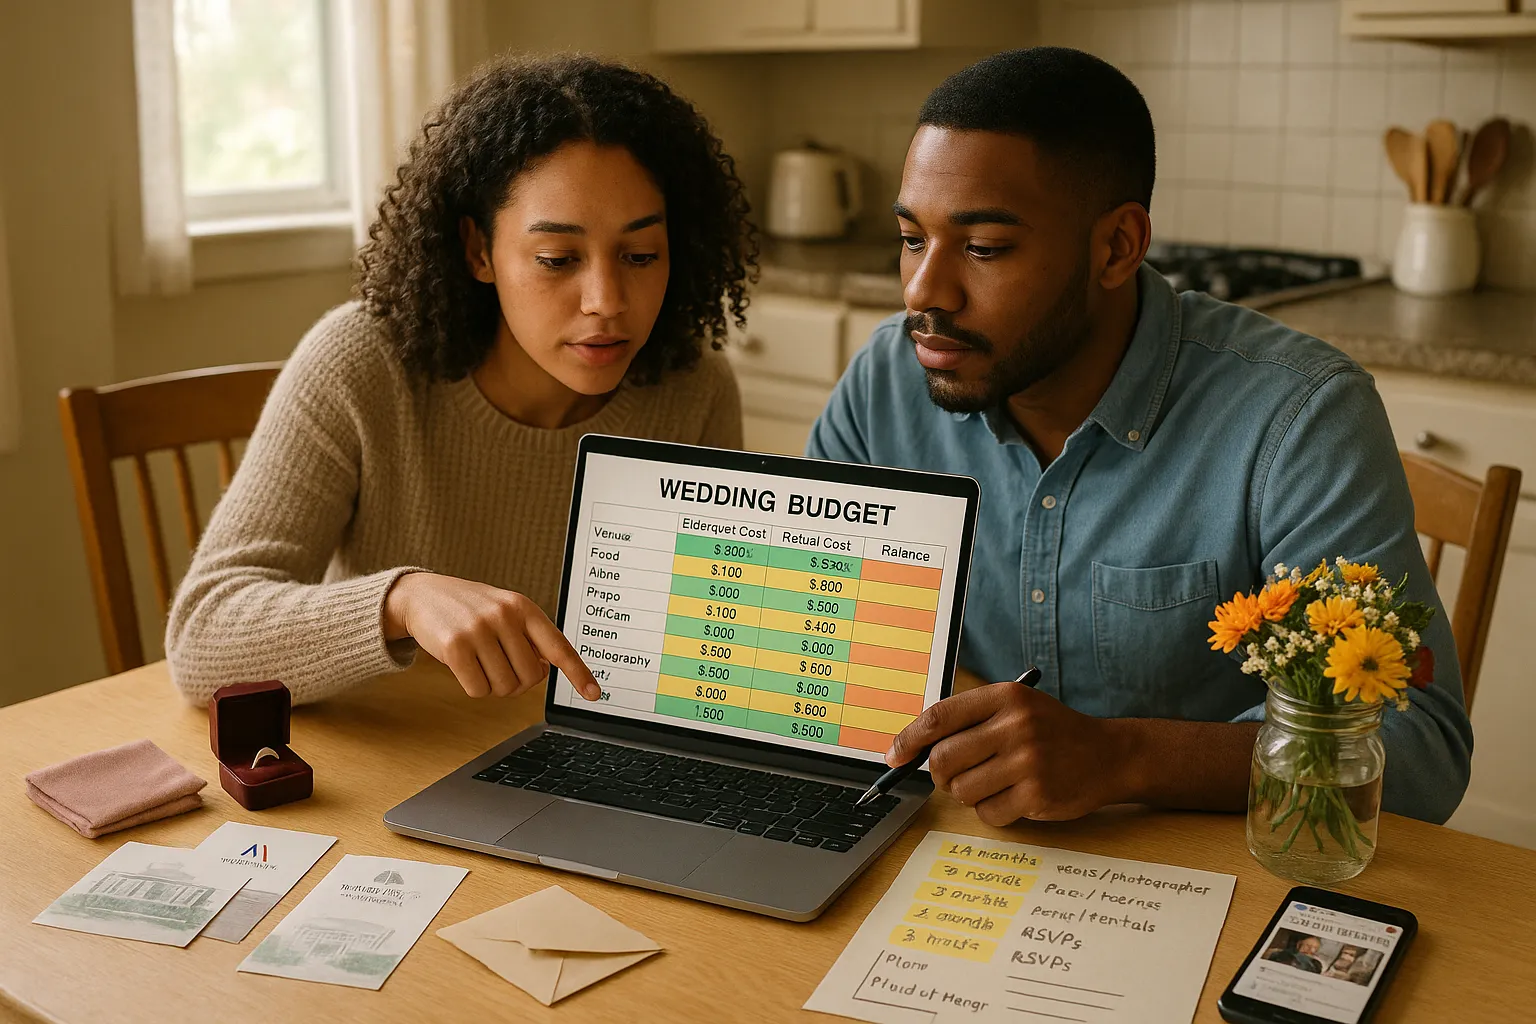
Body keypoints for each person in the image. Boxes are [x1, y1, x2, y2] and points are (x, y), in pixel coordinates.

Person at [807, 47, 1471, 824]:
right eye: (912, 238)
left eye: (983, 248)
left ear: (1117, 247)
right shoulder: (884, 381)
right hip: (960, 856)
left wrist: (1123, 757)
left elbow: (1418, 753)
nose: (923, 291)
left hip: (1215, 880)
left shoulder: (1300, 418)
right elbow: (815, 637)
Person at [167, 55, 754, 707]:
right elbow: (201, 641)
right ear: (479, 251)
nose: (606, 300)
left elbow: (702, 649)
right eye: (558, 259)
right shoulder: (362, 363)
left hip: (565, 768)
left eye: (641, 255)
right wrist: (401, 600)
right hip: (379, 769)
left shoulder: (694, 389)